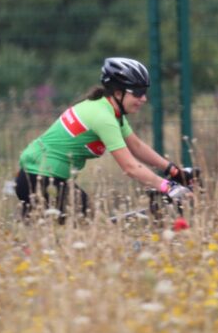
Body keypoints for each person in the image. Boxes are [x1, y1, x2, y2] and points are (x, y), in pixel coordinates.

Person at [15, 57, 192, 222]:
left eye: (144, 91)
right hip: (42, 179)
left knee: (64, 236)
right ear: (118, 92)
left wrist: (173, 170)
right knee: (93, 230)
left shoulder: (109, 110)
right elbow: (130, 167)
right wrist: (167, 187)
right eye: (138, 92)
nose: (144, 98)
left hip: (37, 176)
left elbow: (136, 146)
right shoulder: (103, 117)